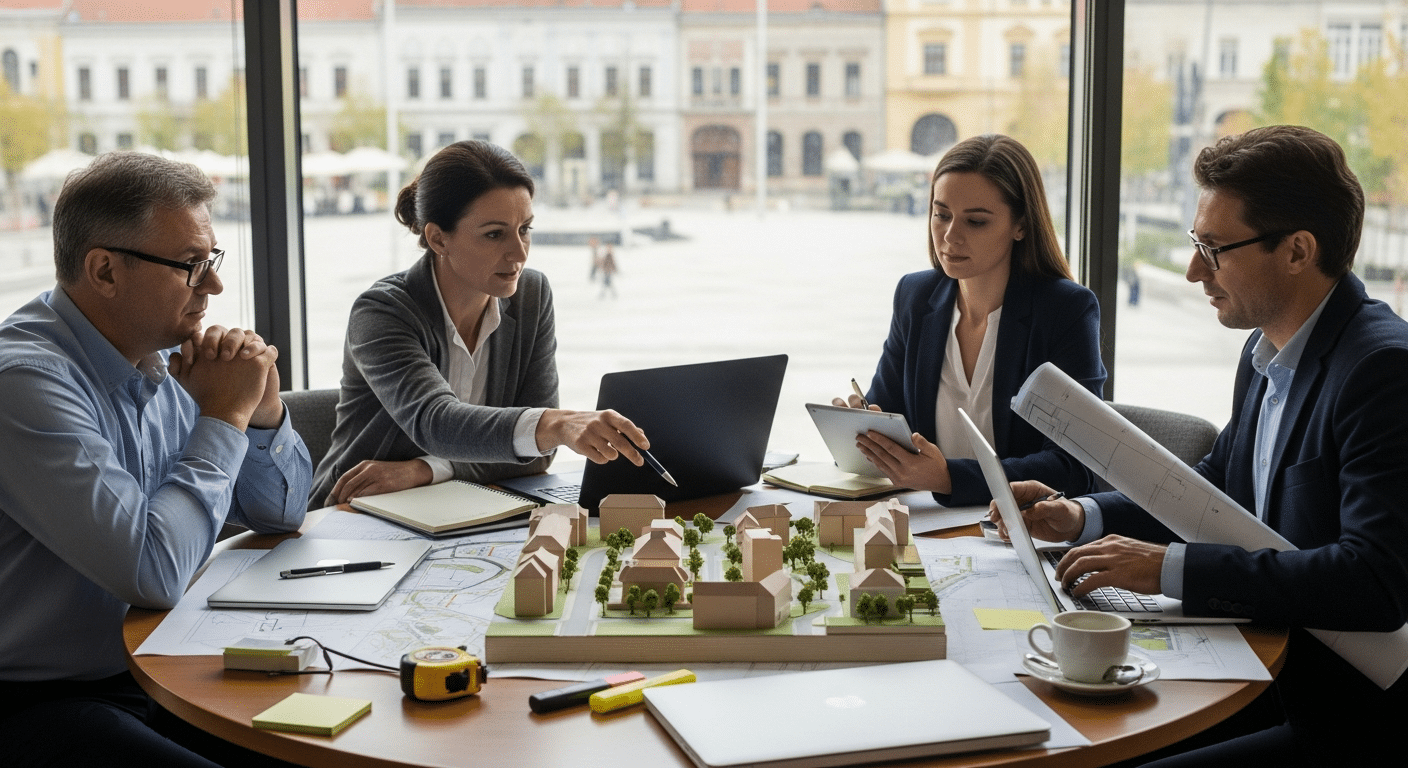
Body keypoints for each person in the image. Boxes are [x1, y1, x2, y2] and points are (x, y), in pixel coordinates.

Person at [1003, 125, 1408, 765]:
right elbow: (1217, 485)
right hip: (1264, 667)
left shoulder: (1382, 371)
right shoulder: (1265, 350)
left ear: (1298, 251)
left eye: (1213, 248)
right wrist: (1085, 516)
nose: (1194, 270)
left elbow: (1373, 583)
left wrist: (1168, 567)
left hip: (1344, 712)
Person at [0, 152, 311, 766]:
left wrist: (261, 413)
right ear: (105, 271)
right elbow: (154, 571)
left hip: (164, 667)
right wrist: (222, 418)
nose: (215, 286)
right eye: (191, 265)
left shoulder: (166, 358)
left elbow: (282, 513)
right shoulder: (25, 383)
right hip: (39, 698)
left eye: (211, 261)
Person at [312, 140, 651, 507]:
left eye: (525, 229)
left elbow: (536, 456)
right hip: (350, 514)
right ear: (438, 238)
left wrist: (425, 471)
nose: (519, 253)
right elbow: (436, 423)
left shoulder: (531, 295)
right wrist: (554, 425)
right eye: (494, 234)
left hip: (456, 510)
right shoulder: (381, 313)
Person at [837, 135, 1105, 507]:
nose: (950, 236)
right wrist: (864, 431)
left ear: (1021, 226)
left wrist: (948, 477)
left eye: (975, 222)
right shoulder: (915, 297)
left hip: (1020, 531)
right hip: (929, 527)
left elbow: (1075, 467)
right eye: (941, 214)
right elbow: (887, 413)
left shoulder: (1066, 310)